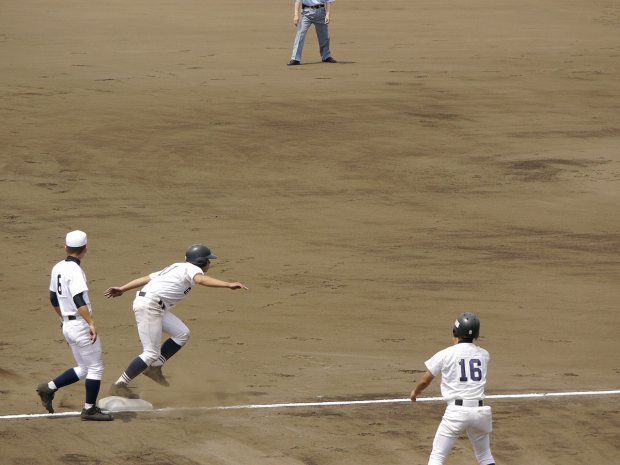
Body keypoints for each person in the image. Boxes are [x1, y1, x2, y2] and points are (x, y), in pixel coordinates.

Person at [104, 243, 248, 398]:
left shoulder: (176, 267)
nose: (210, 263)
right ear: (201, 262)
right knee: (150, 352)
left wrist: (123, 288)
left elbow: (147, 278)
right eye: (208, 260)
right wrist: (228, 285)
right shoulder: (193, 270)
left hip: (154, 306)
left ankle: (155, 367)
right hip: (150, 306)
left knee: (182, 333)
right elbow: (200, 280)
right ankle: (119, 385)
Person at [36, 230, 113, 421]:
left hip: (68, 326)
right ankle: (89, 409)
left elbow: (53, 298)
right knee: (95, 368)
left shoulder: (57, 267)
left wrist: (63, 319)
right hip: (79, 325)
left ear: (65, 248)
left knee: (84, 368)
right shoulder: (75, 271)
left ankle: (49, 388)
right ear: (86, 249)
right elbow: (79, 299)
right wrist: (91, 323)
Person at [410, 312, 496, 465]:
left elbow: (426, 379)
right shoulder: (484, 355)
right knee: (485, 456)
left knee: (437, 456)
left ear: (456, 333)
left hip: (456, 413)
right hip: (480, 414)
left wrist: (416, 391)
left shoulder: (446, 354)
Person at [288, 1, 337, 66]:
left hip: (321, 12)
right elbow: (297, 1)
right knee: (300, 35)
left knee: (324, 36)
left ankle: (326, 56)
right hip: (306, 13)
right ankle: (295, 59)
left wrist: (328, 15)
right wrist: (296, 15)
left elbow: (328, 2)